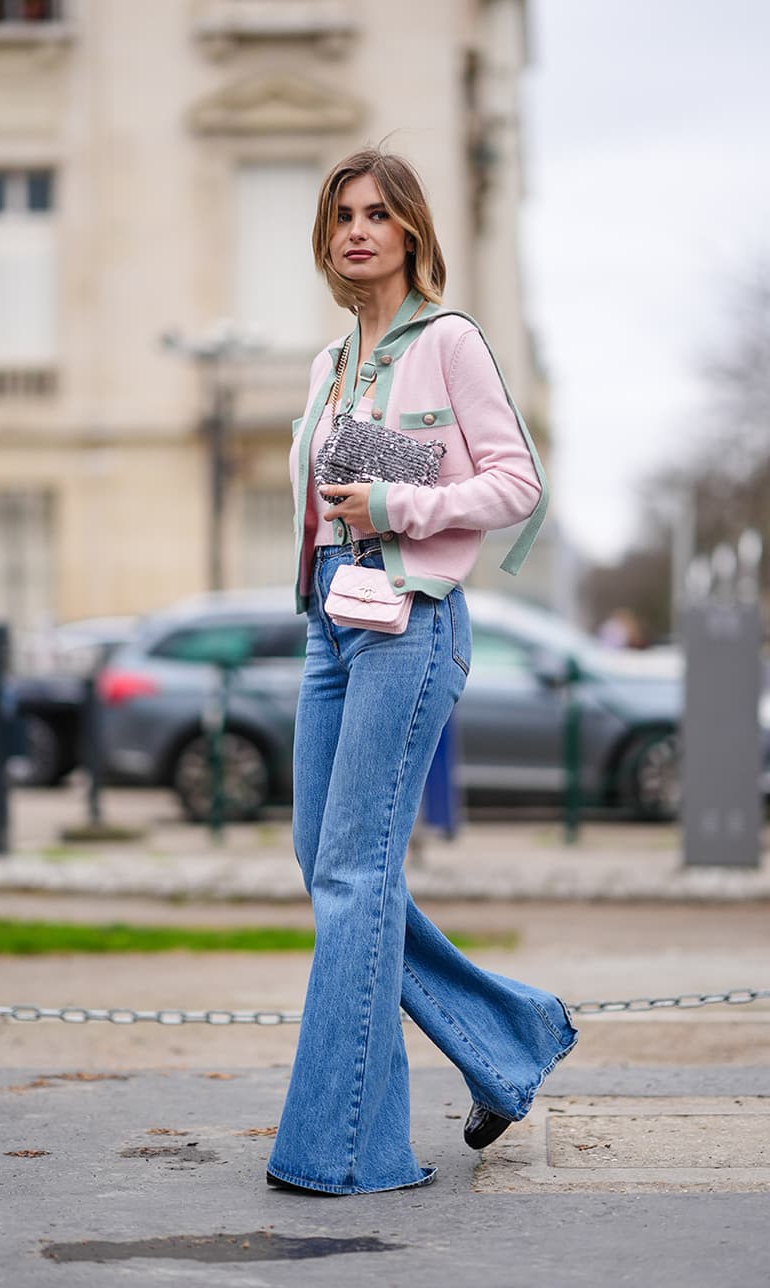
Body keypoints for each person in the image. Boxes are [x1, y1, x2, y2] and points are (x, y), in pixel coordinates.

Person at [266, 148, 578, 1196]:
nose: (357, 230)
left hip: (411, 622)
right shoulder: (328, 366)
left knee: (355, 877)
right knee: (331, 867)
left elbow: (512, 482)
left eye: (377, 215)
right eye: (340, 215)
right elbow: (331, 489)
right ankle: (508, 1040)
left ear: (409, 233)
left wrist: (398, 506)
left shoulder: (445, 341)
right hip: (329, 620)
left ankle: (347, 1145)